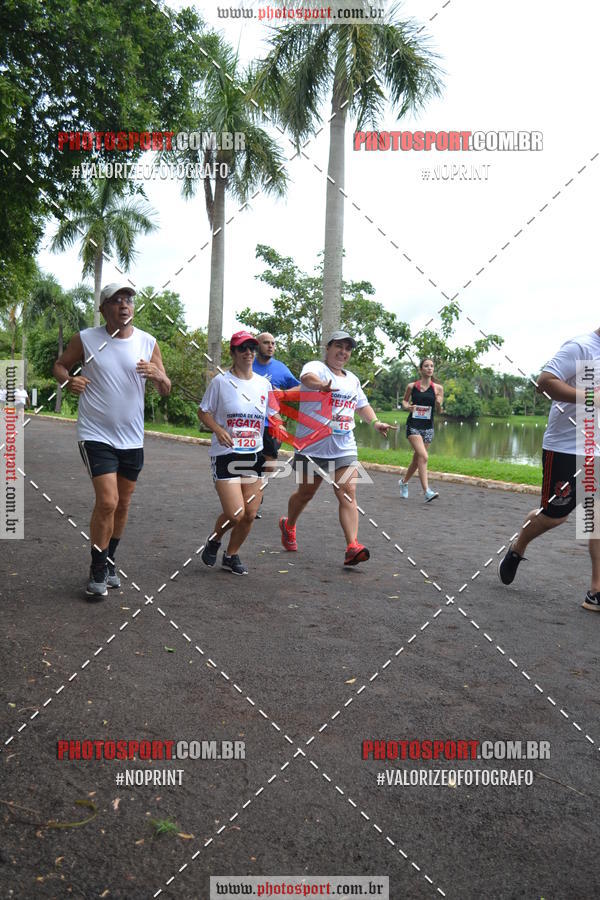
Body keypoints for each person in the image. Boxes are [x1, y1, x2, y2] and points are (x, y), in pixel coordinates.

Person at [53, 281, 171, 599]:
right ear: (103, 307)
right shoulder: (87, 339)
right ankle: (97, 567)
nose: (124, 305)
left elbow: (165, 389)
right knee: (108, 501)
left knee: (123, 504)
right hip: (95, 434)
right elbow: (60, 366)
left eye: (128, 300)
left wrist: (160, 376)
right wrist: (70, 380)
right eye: (116, 300)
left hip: (132, 438)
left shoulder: (148, 342)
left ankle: (109, 559)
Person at [498, 327, 600, 610]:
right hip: (566, 448)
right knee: (555, 517)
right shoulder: (581, 347)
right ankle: (518, 547)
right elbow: (544, 383)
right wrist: (592, 397)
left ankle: (596, 591)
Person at [279, 331, 394, 566]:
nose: (343, 352)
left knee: (348, 491)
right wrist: (321, 386)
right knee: (306, 494)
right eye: (339, 346)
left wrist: (375, 423)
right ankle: (288, 524)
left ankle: (352, 546)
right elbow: (307, 377)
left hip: (343, 447)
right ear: (328, 348)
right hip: (312, 446)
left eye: (348, 349)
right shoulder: (317, 368)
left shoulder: (352, 379)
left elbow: (362, 405)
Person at [198, 331, 272, 576]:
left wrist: (281, 427)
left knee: (250, 514)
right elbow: (203, 412)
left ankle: (231, 555)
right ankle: (215, 539)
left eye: (252, 348)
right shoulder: (221, 382)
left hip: (253, 455)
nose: (249, 352)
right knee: (236, 513)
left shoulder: (264, 384)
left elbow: (272, 414)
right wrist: (218, 429)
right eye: (243, 349)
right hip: (226, 455)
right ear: (233, 353)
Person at [251, 332, 300, 516]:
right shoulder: (248, 364)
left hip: (272, 422)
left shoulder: (281, 369)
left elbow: (300, 387)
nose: (270, 346)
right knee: (248, 462)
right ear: (257, 345)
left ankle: (255, 491)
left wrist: (284, 393)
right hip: (250, 423)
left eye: (273, 343)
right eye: (266, 343)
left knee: (269, 466)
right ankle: (253, 498)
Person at [398, 358, 444, 502]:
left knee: (417, 459)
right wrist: (407, 407)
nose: (430, 368)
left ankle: (403, 482)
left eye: (432, 366)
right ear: (421, 369)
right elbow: (404, 401)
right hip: (413, 425)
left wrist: (438, 404)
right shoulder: (412, 386)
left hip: (428, 427)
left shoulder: (438, 388)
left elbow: (440, 410)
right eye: (426, 366)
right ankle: (427, 491)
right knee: (423, 457)